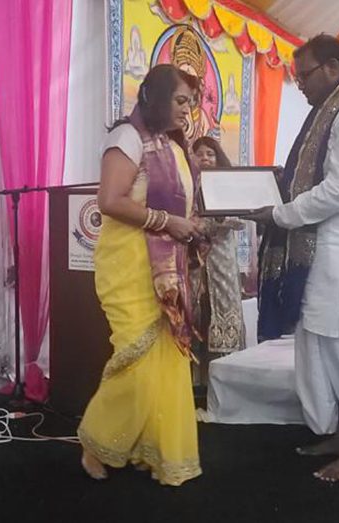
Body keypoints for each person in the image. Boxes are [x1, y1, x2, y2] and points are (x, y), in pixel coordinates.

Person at [247, 34, 339, 482]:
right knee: (318, 345)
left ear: (332, 68)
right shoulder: (330, 114)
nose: (301, 87)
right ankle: (337, 432)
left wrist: (278, 213)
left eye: (303, 76)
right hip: (326, 254)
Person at [77, 64, 206, 486]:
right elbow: (110, 200)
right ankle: (96, 442)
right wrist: (166, 222)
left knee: (166, 360)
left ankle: (152, 447)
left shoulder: (172, 145)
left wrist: (194, 225)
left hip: (167, 266)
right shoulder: (127, 138)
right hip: (129, 265)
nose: (188, 110)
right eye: (181, 100)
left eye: (191, 102)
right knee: (138, 359)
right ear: (156, 97)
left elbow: (183, 205)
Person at [191, 137, 245, 371]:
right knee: (196, 311)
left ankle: (225, 376)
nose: (205, 158)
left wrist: (216, 221)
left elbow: (240, 220)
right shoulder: (186, 183)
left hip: (221, 258)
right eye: (200, 153)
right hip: (192, 258)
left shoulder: (228, 183)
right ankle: (195, 384)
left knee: (222, 309)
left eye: (210, 154)